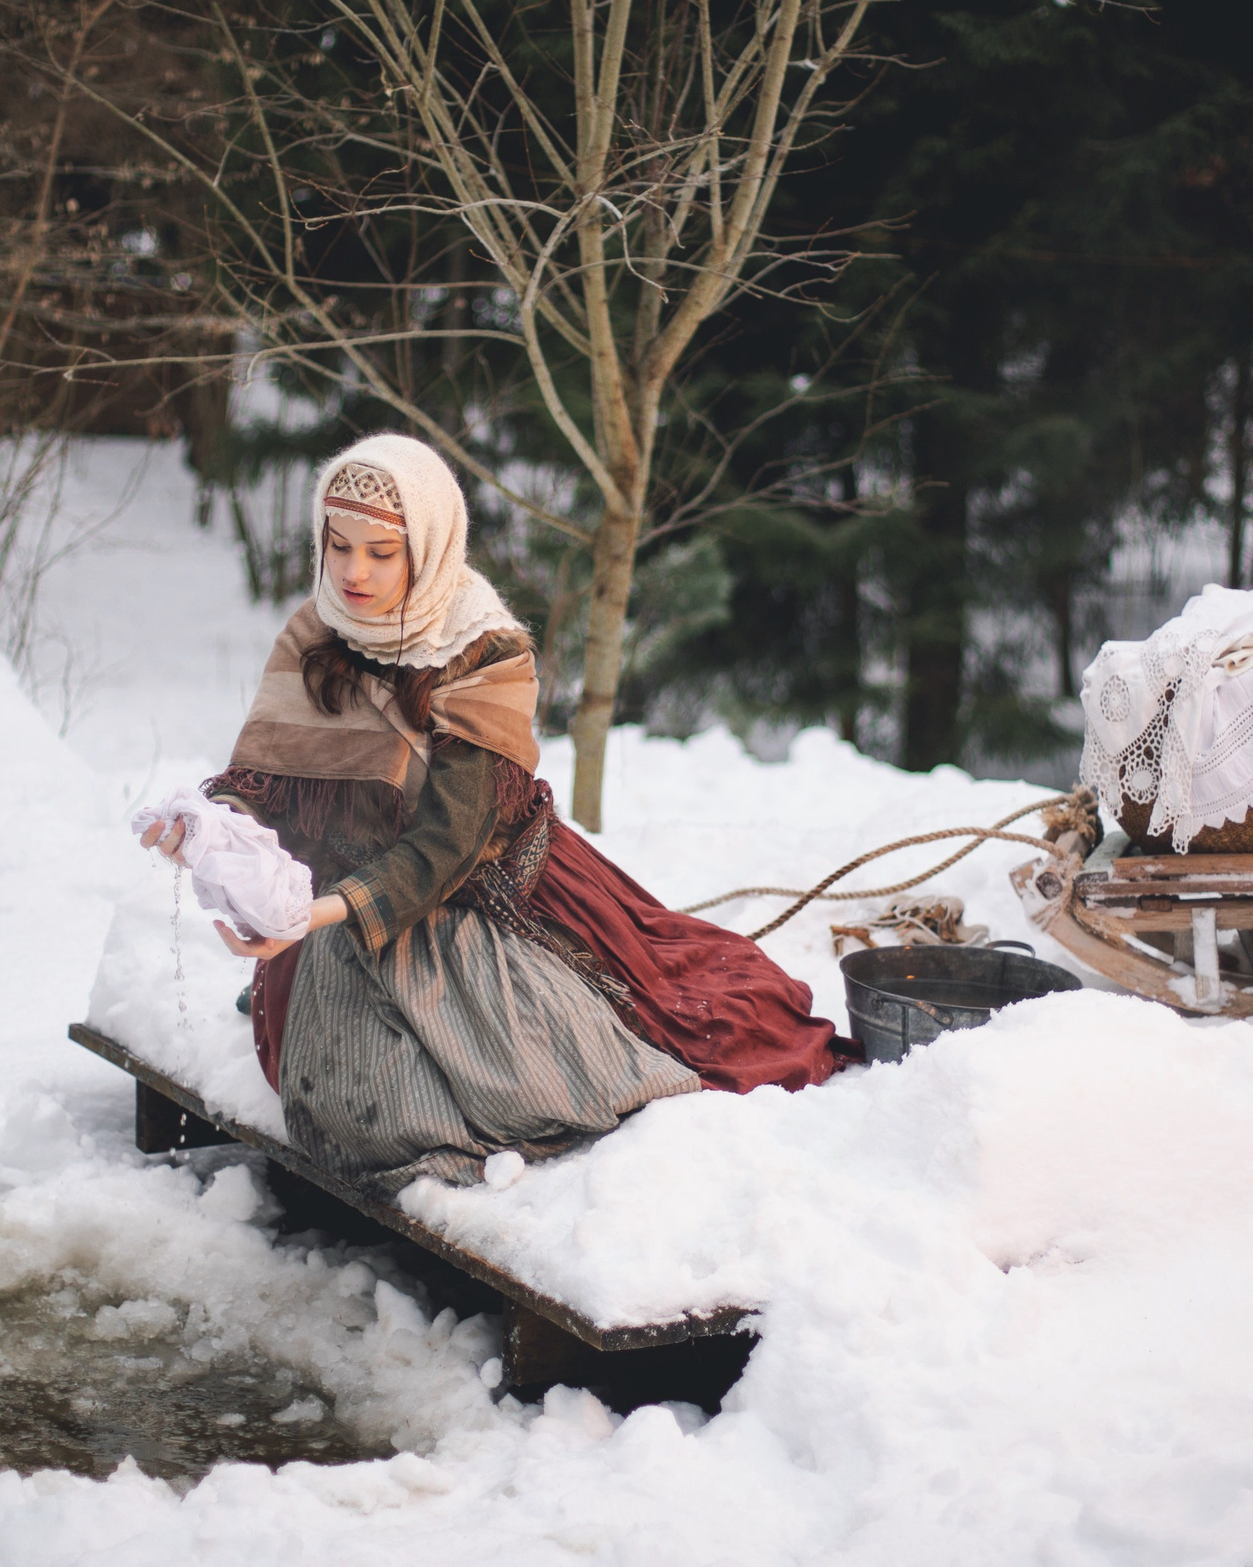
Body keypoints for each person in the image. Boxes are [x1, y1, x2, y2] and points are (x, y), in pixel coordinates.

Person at [139, 433, 847, 1191]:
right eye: (338, 546)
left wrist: (318, 913)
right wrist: (208, 831)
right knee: (347, 1098)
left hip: (475, 895)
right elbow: (264, 781)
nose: (352, 573)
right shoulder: (314, 633)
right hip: (334, 907)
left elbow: (448, 844)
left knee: (528, 1078)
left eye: (382, 553)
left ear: (431, 545)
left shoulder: (485, 653)